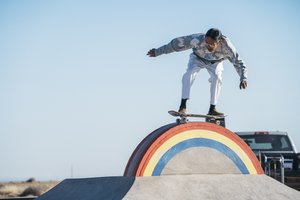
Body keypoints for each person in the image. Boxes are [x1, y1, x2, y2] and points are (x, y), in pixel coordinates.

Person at [147, 28, 248, 116]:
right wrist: (157, 52)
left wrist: (243, 77)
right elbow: (175, 45)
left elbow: (238, 62)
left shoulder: (227, 47)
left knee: (217, 78)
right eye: (206, 42)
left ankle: (212, 108)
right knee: (189, 74)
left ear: (218, 42)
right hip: (197, 58)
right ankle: (183, 105)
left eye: (211, 44)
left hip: (215, 62)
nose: (207, 45)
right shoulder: (197, 40)